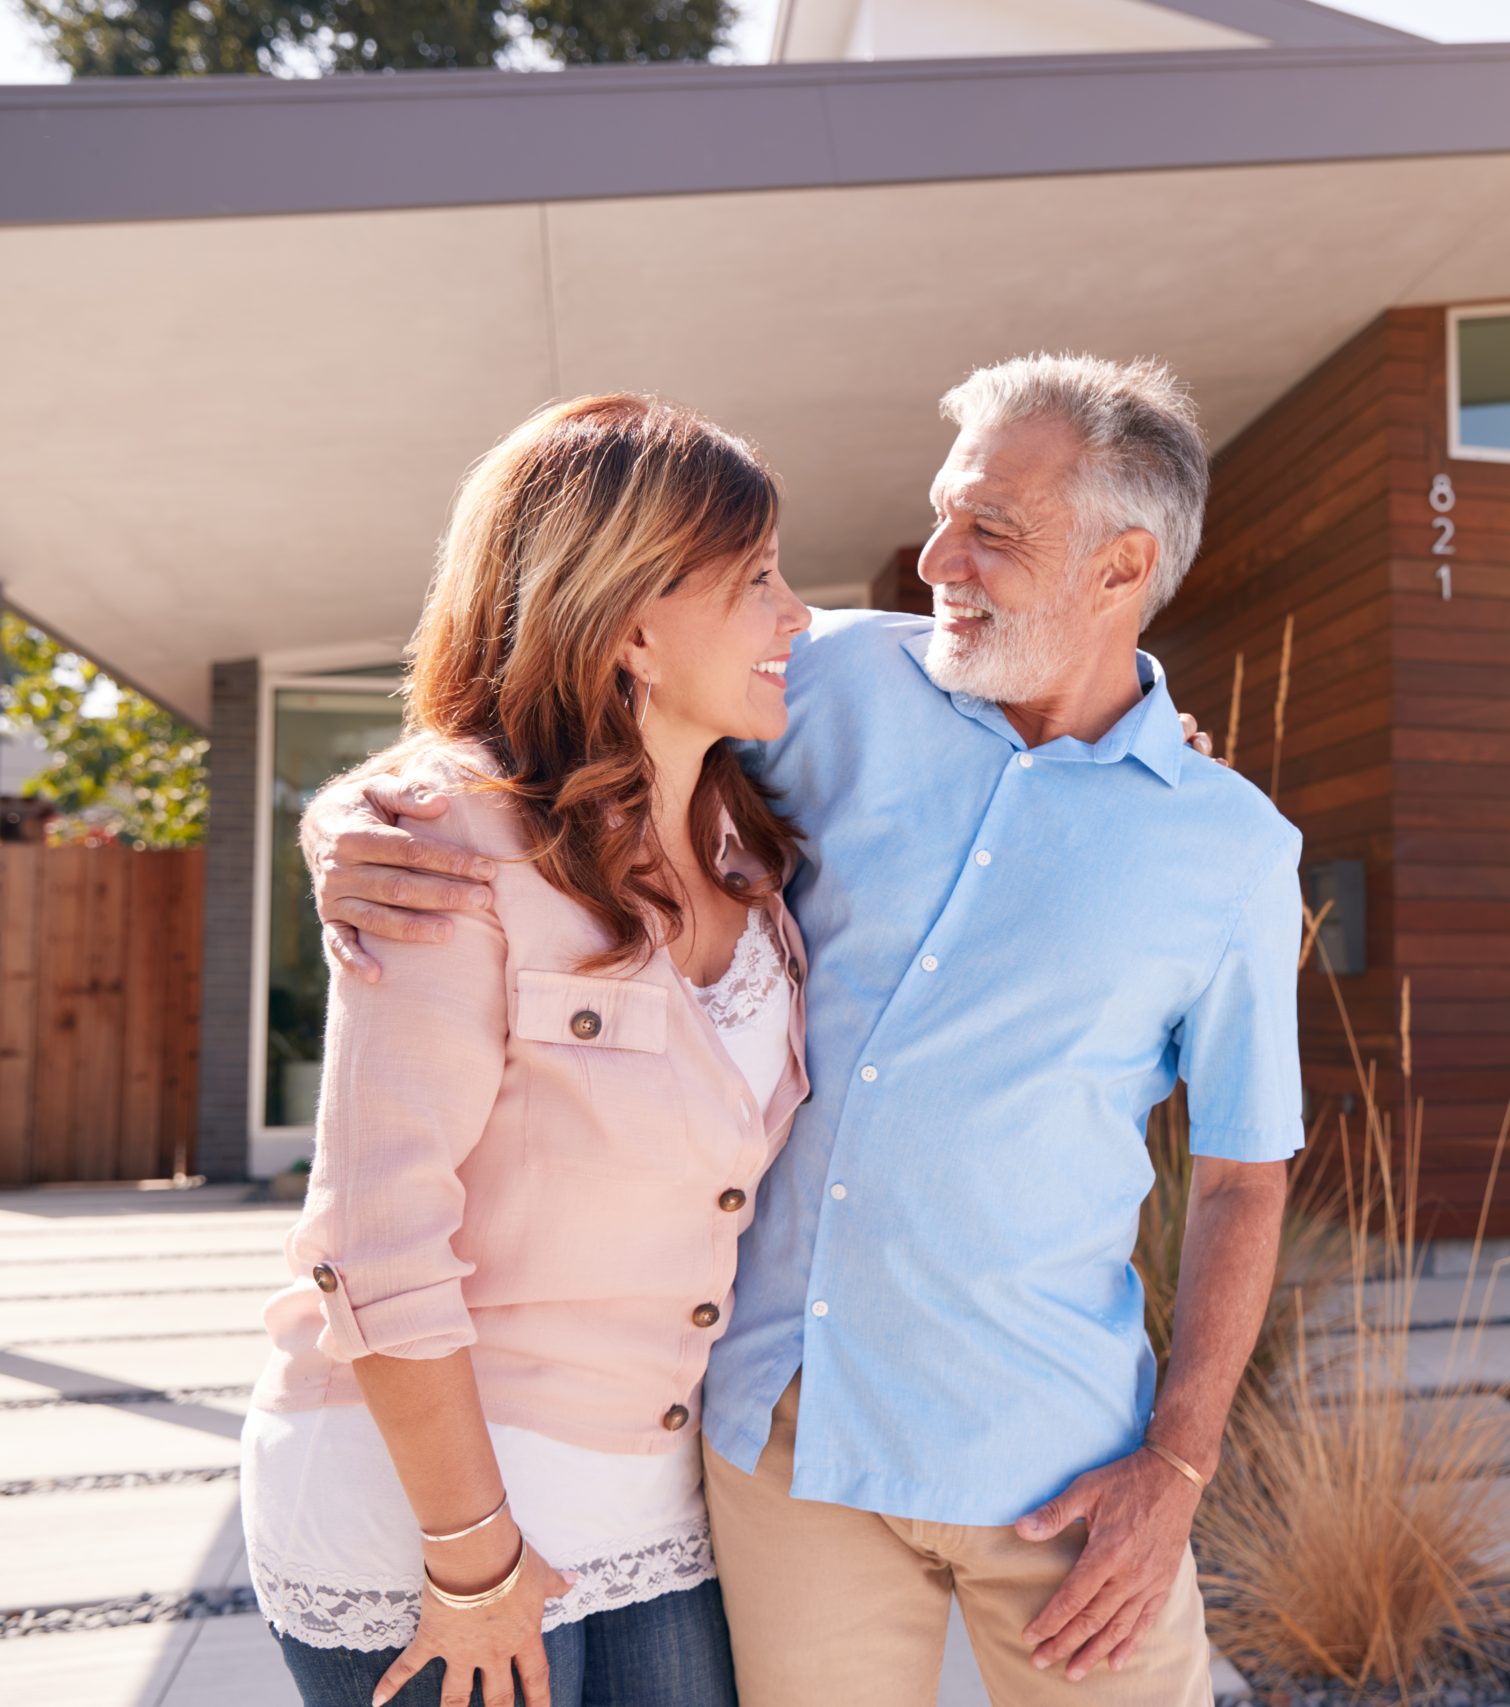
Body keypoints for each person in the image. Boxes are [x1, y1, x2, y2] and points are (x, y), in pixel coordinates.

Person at [302, 353, 1304, 1705]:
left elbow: (1245, 1178)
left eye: (991, 531)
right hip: (783, 1452)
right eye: (944, 509)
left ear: (1121, 567)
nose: (934, 556)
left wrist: (1176, 1468)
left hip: (1062, 1472)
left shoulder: (1229, 847)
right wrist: (351, 820)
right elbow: (548, 721)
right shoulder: (823, 678)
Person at [247, 394, 815, 1707]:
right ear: (627, 621)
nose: (798, 616)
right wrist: (468, 1556)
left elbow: (979, 692)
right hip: (435, 1517)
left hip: (653, 1497)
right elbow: (373, 1236)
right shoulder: (443, 844)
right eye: (758, 579)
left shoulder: (749, 843)